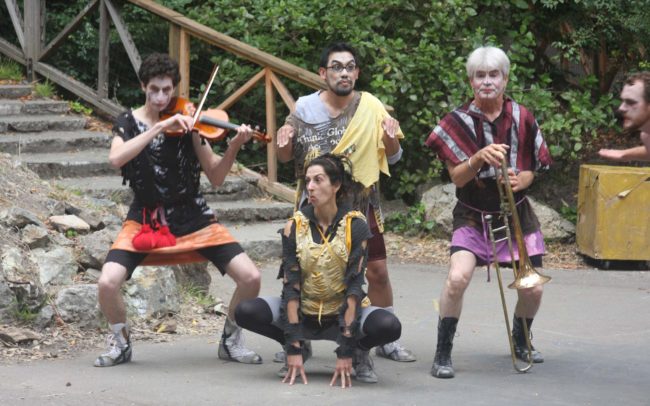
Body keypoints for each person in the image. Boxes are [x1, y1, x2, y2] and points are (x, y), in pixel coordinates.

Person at [94, 53, 262, 367]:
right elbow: (116, 159)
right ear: (143, 87)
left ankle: (231, 340)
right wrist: (159, 127)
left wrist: (234, 146)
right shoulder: (128, 121)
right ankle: (121, 342)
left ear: (174, 89)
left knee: (251, 277)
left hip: (194, 216)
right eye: (154, 90)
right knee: (107, 283)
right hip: (147, 217)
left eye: (167, 90)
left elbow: (216, 176)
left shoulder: (189, 123)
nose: (161, 97)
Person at [275, 42, 414, 362]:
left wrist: (390, 137)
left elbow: (394, 156)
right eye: (337, 67)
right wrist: (284, 139)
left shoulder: (371, 106)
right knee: (302, 272)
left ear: (357, 73)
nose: (344, 73)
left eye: (350, 67)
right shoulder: (305, 108)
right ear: (323, 73)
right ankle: (297, 340)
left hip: (361, 203)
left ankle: (386, 340)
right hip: (315, 206)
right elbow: (285, 157)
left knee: (377, 270)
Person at [424, 46, 553, 378]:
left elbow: (533, 169)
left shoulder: (523, 117)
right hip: (472, 213)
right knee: (457, 278)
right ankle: (443, 351)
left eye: (493, 75)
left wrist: (521, 180)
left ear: (505, 79)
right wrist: (478, 157)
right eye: (479, 75)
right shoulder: (456, 121)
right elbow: (457, 177)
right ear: (471, 81)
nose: (487, 81)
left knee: (533, 288)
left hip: (516, 213)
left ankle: (521, 338)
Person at [235, 153, 402, 386]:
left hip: (343, 313)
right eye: (307, 181)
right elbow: (290, 287)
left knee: (389, 326)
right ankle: (300, 346)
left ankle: (359, 351)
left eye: (318, 180)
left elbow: (354, 289)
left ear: (336, 185)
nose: (310, 187)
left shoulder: (355, 225)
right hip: (305, 311)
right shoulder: (294, 225)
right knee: (245, 311)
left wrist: (346, 349)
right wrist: (293, 345)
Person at [598, 71, 650, 162]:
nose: (621, 108)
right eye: (623, 101)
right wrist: (623, 155)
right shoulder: (646, 136)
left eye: (631, 102)